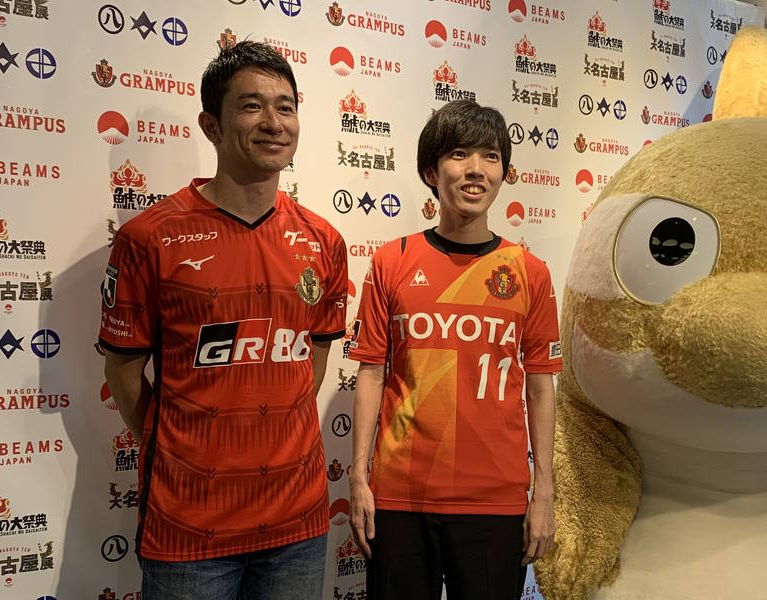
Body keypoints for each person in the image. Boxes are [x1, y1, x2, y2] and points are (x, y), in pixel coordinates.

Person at [99, 41, 348, 600]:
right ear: (211, 125)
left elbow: (312, 358)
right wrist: (186, 451)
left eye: (286, 107)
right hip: (189, 528)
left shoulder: (324, 241)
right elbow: (123, 372)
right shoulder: (148, 238)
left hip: (298, 523)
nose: (274, 123)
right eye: (252, 106)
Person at [347, 100, 560, 600]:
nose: (475, 169)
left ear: (504, 172)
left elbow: (540, 386)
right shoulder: (392, 261)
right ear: (431, 171)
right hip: (400, 497)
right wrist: (358, 477)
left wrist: (545, 490)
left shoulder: (530, 272)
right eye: (459, 154)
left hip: (496, 500)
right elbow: (372, 374)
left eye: (490, 156)